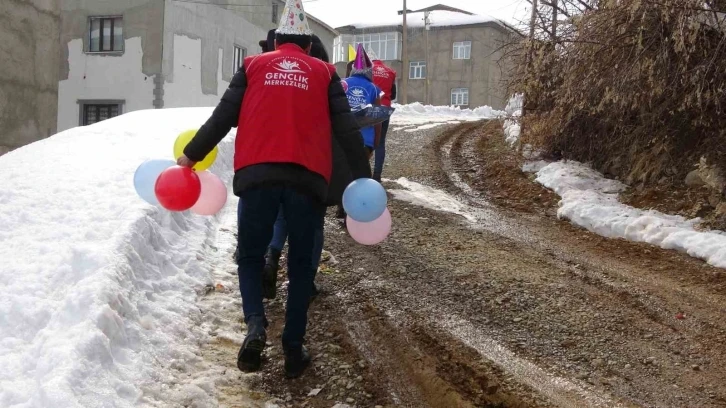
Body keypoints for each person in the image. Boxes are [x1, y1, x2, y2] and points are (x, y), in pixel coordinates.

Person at [177, 0, 370, 379]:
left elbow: (222, 118)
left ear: (277, 38)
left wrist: (190, 155)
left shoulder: (252, 66)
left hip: (257, 176)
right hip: (307, 181)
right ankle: (293, 349)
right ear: (309, 45)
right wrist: (363, 179)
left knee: (249, 256)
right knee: (302, 265)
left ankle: (255, 327)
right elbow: (347, 130)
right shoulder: (325, 73)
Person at [262, 35, 345, 303]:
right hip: (313, 165)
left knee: (280, 216)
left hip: (277, 160)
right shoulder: (323, 79)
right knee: (314, 224)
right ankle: (306, 279)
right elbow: (339, 124)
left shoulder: (279, 77)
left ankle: (272, 256)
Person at [343, 44, 383, 157]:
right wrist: (376, 142)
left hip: (342, 138)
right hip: (365, 141)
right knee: (361, 172)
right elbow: (377, 119)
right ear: (370, 71)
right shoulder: (374, 89)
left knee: (342, 172)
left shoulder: (342, 84)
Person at [368, 49, 397, 182]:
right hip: (385, 109)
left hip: (371, 108)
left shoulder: (368, 69)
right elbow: (394, 94)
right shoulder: (389, 71)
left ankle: (363, 172)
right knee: (380, 143)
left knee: (365, 139)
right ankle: (377, 174)